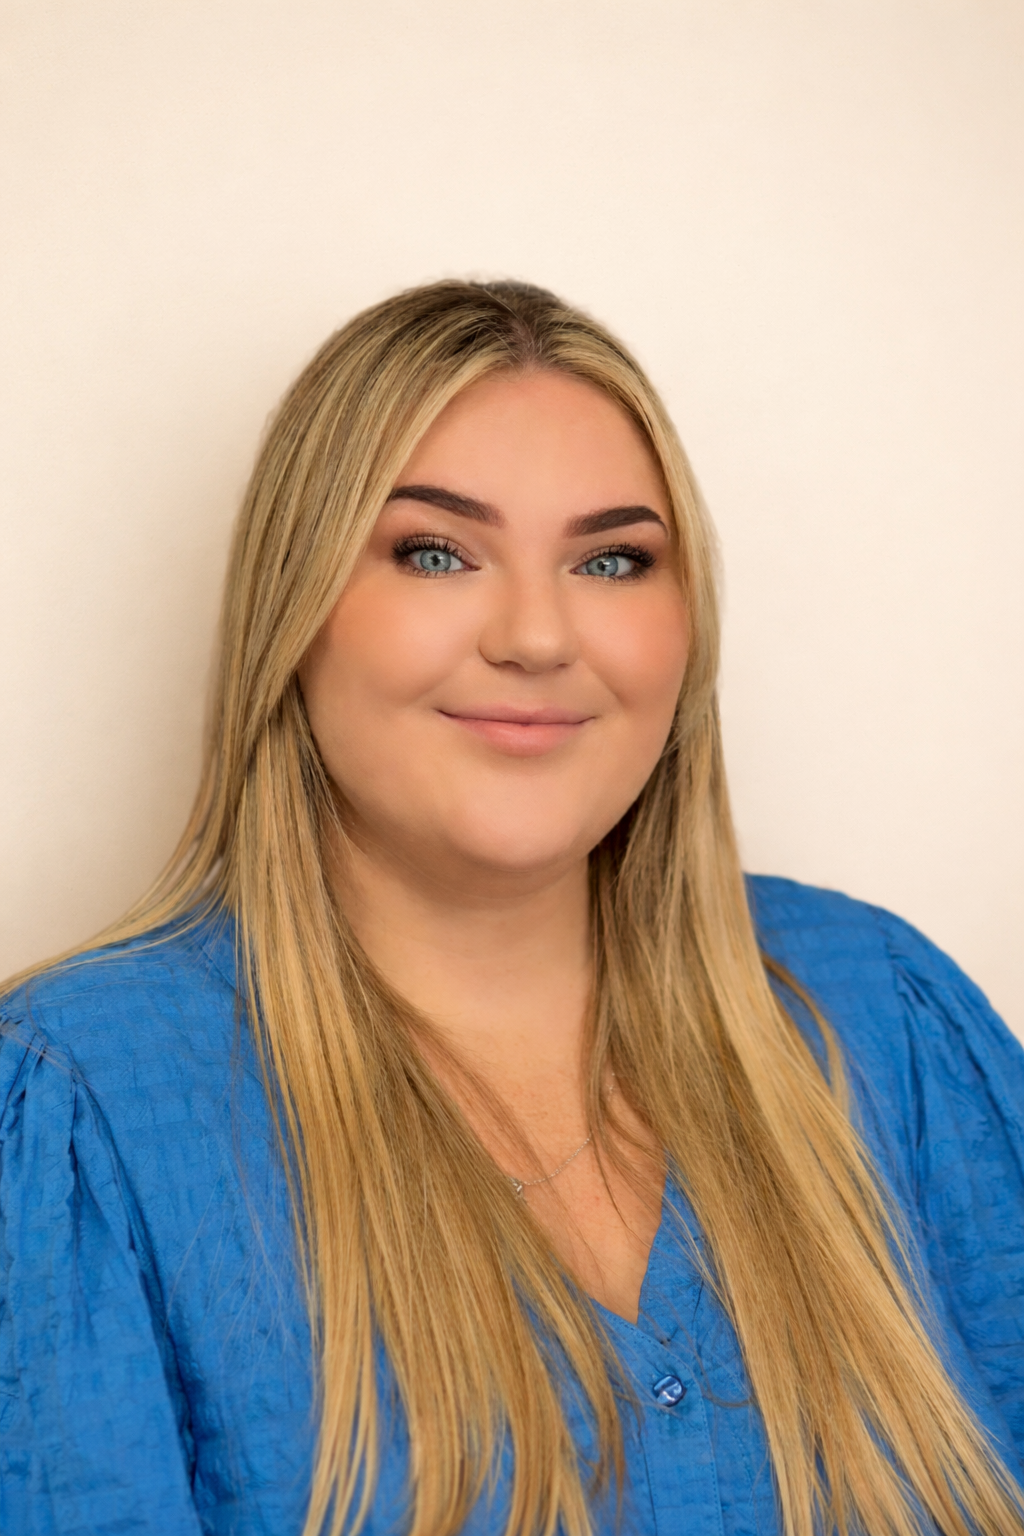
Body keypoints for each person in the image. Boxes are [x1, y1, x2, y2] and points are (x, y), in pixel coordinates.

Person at [0, 280, 1021, 1536]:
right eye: (435, 551)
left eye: (612, 560)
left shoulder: (883, 1013)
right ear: (295, 608)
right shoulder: (81, 1109)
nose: (539, 636)